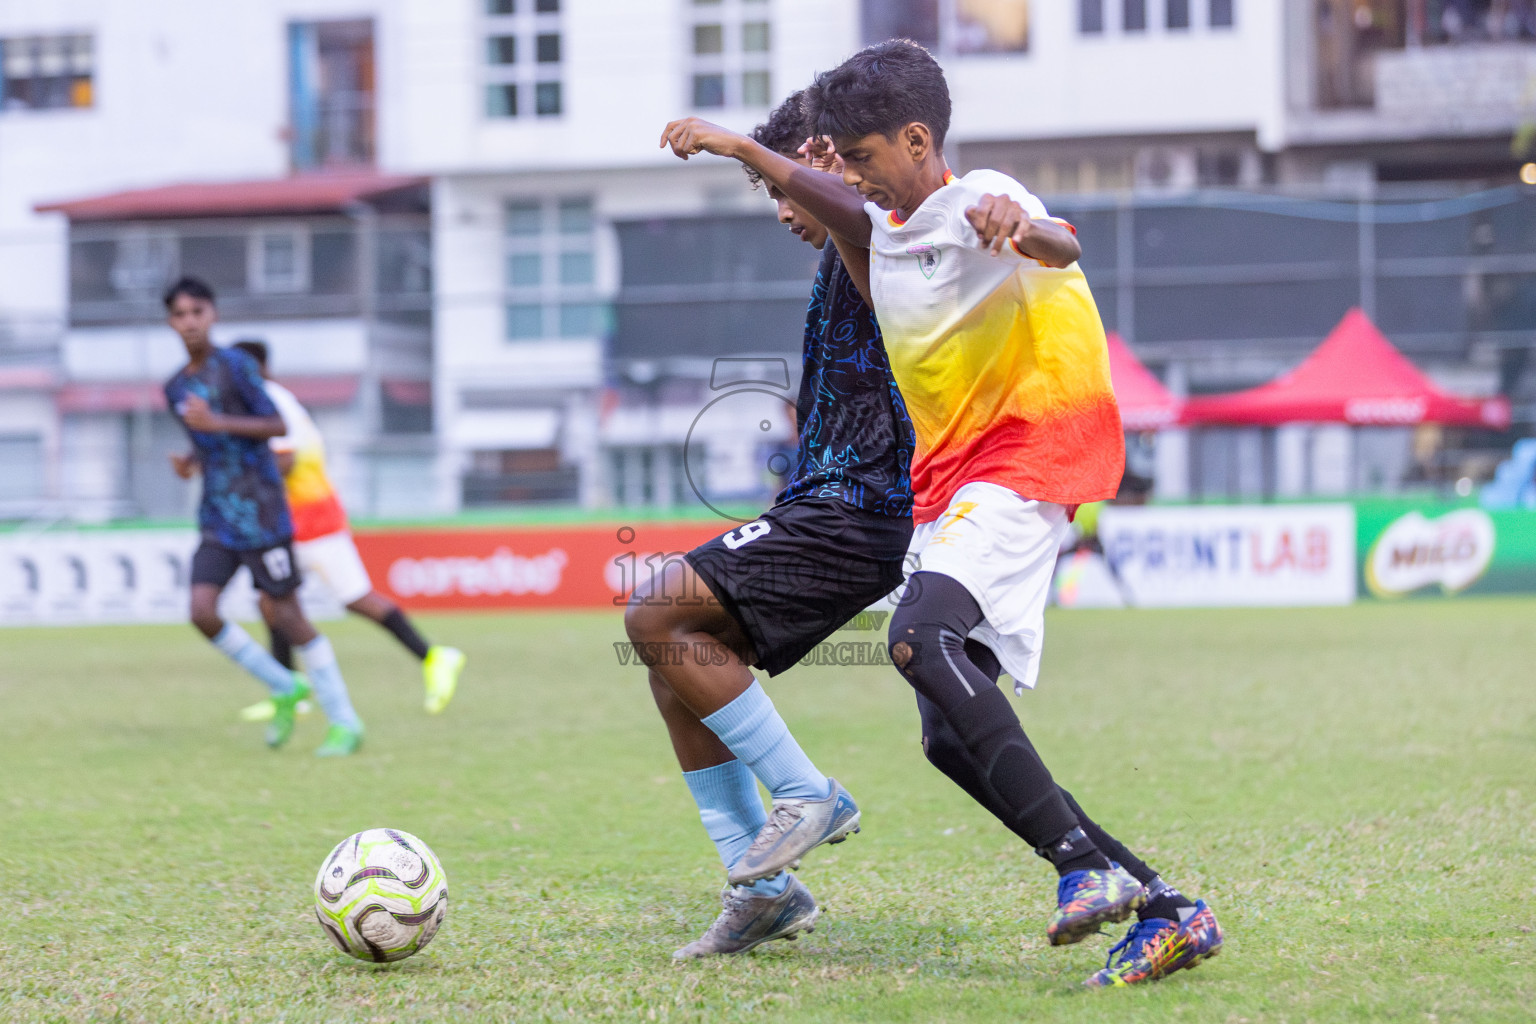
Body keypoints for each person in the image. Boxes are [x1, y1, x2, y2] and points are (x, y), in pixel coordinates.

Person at [660, 40, 1221, 987]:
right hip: (948, 494)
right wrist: (770, 167)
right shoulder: (890, 238)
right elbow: (855, 222)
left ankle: (1081, 869)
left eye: (859, 157)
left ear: (909, 141)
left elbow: (1058, 243)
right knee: (947, 739)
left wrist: (739, 147)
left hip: (1024, 465)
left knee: (914, 639)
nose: (849, 177)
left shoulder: (973, 198)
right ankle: (1168, 909)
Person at [625, 92, 915, 959]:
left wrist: (736, 145)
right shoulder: (839, 245)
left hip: (864, 505)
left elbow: (857, 210)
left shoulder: (880, 226)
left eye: (782, 190)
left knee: (653, 613)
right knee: (676, 666)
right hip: (824, 500)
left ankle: (806, 793)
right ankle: (765, 892)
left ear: (829, 158)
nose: (783, 213)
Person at [163, 277, 365, 757]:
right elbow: (205, 441)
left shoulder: (236, 367)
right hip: (217, 516)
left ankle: (344, 720)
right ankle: (283, 684)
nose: (189, 321)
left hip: (264, 514)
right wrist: (191, 459)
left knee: (286, 614)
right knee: (201, 611)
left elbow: (275, 425)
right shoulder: (174, 385)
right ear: (170, 321)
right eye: (180, 314)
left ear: (212, 315)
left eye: (197, 312)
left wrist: (218, 423)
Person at [228, 340, 465, 720]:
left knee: (355, 598)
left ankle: (435, 657)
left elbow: (285, 462)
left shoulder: (272, 401)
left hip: (314, 521)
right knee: (273, 602)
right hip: (287, 523)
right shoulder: (263, 401)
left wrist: (238, 474)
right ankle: (289, 691)